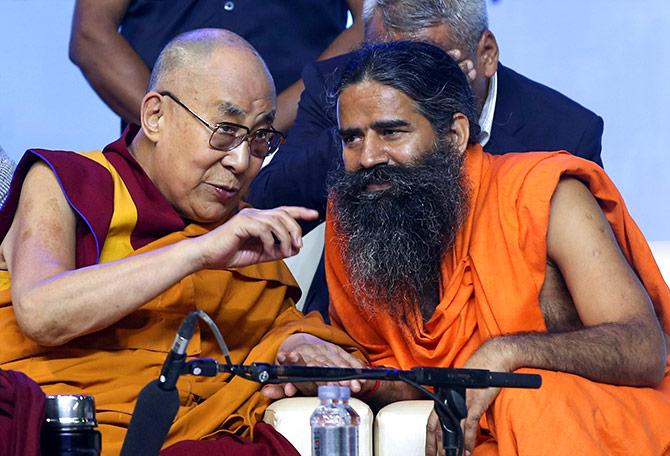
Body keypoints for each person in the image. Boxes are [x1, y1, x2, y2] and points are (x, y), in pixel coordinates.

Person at [278, 41, 670, 455]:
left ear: (454, 135)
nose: (369, 156)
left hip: (595, 428)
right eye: (352, 138)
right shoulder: (358, 216)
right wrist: (335, 372)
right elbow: (409, 375)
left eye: (391, 131)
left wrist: (504, 354)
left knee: (524, 399)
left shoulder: (545, 198)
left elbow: (644, 348)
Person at [0, 29, 364, 455]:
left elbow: (268, 328)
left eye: (259, 139)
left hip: (187, 440)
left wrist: (294, 343)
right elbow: (41, 312)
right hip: (65, 432)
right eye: (225, 132)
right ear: (155, 116)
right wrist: (198, 253)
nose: (241, 161)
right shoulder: (70, 183)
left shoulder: (238, 231)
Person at [247, 0, 605, 319]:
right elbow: (268, 201)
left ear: (486, 54)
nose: (399, 85)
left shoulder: (563, 132)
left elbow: (586, 285)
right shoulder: (339, 86)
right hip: (357, 330)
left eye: (424, 67)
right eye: (384, 60)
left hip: (499, 329)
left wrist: (436, 119)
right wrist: (359, 128)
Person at [69, 0, 364, 132]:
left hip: (290, 154)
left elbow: (374, 21)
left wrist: (264, 128)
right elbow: (91, 34)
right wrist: (176, 130)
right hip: (158, 163)